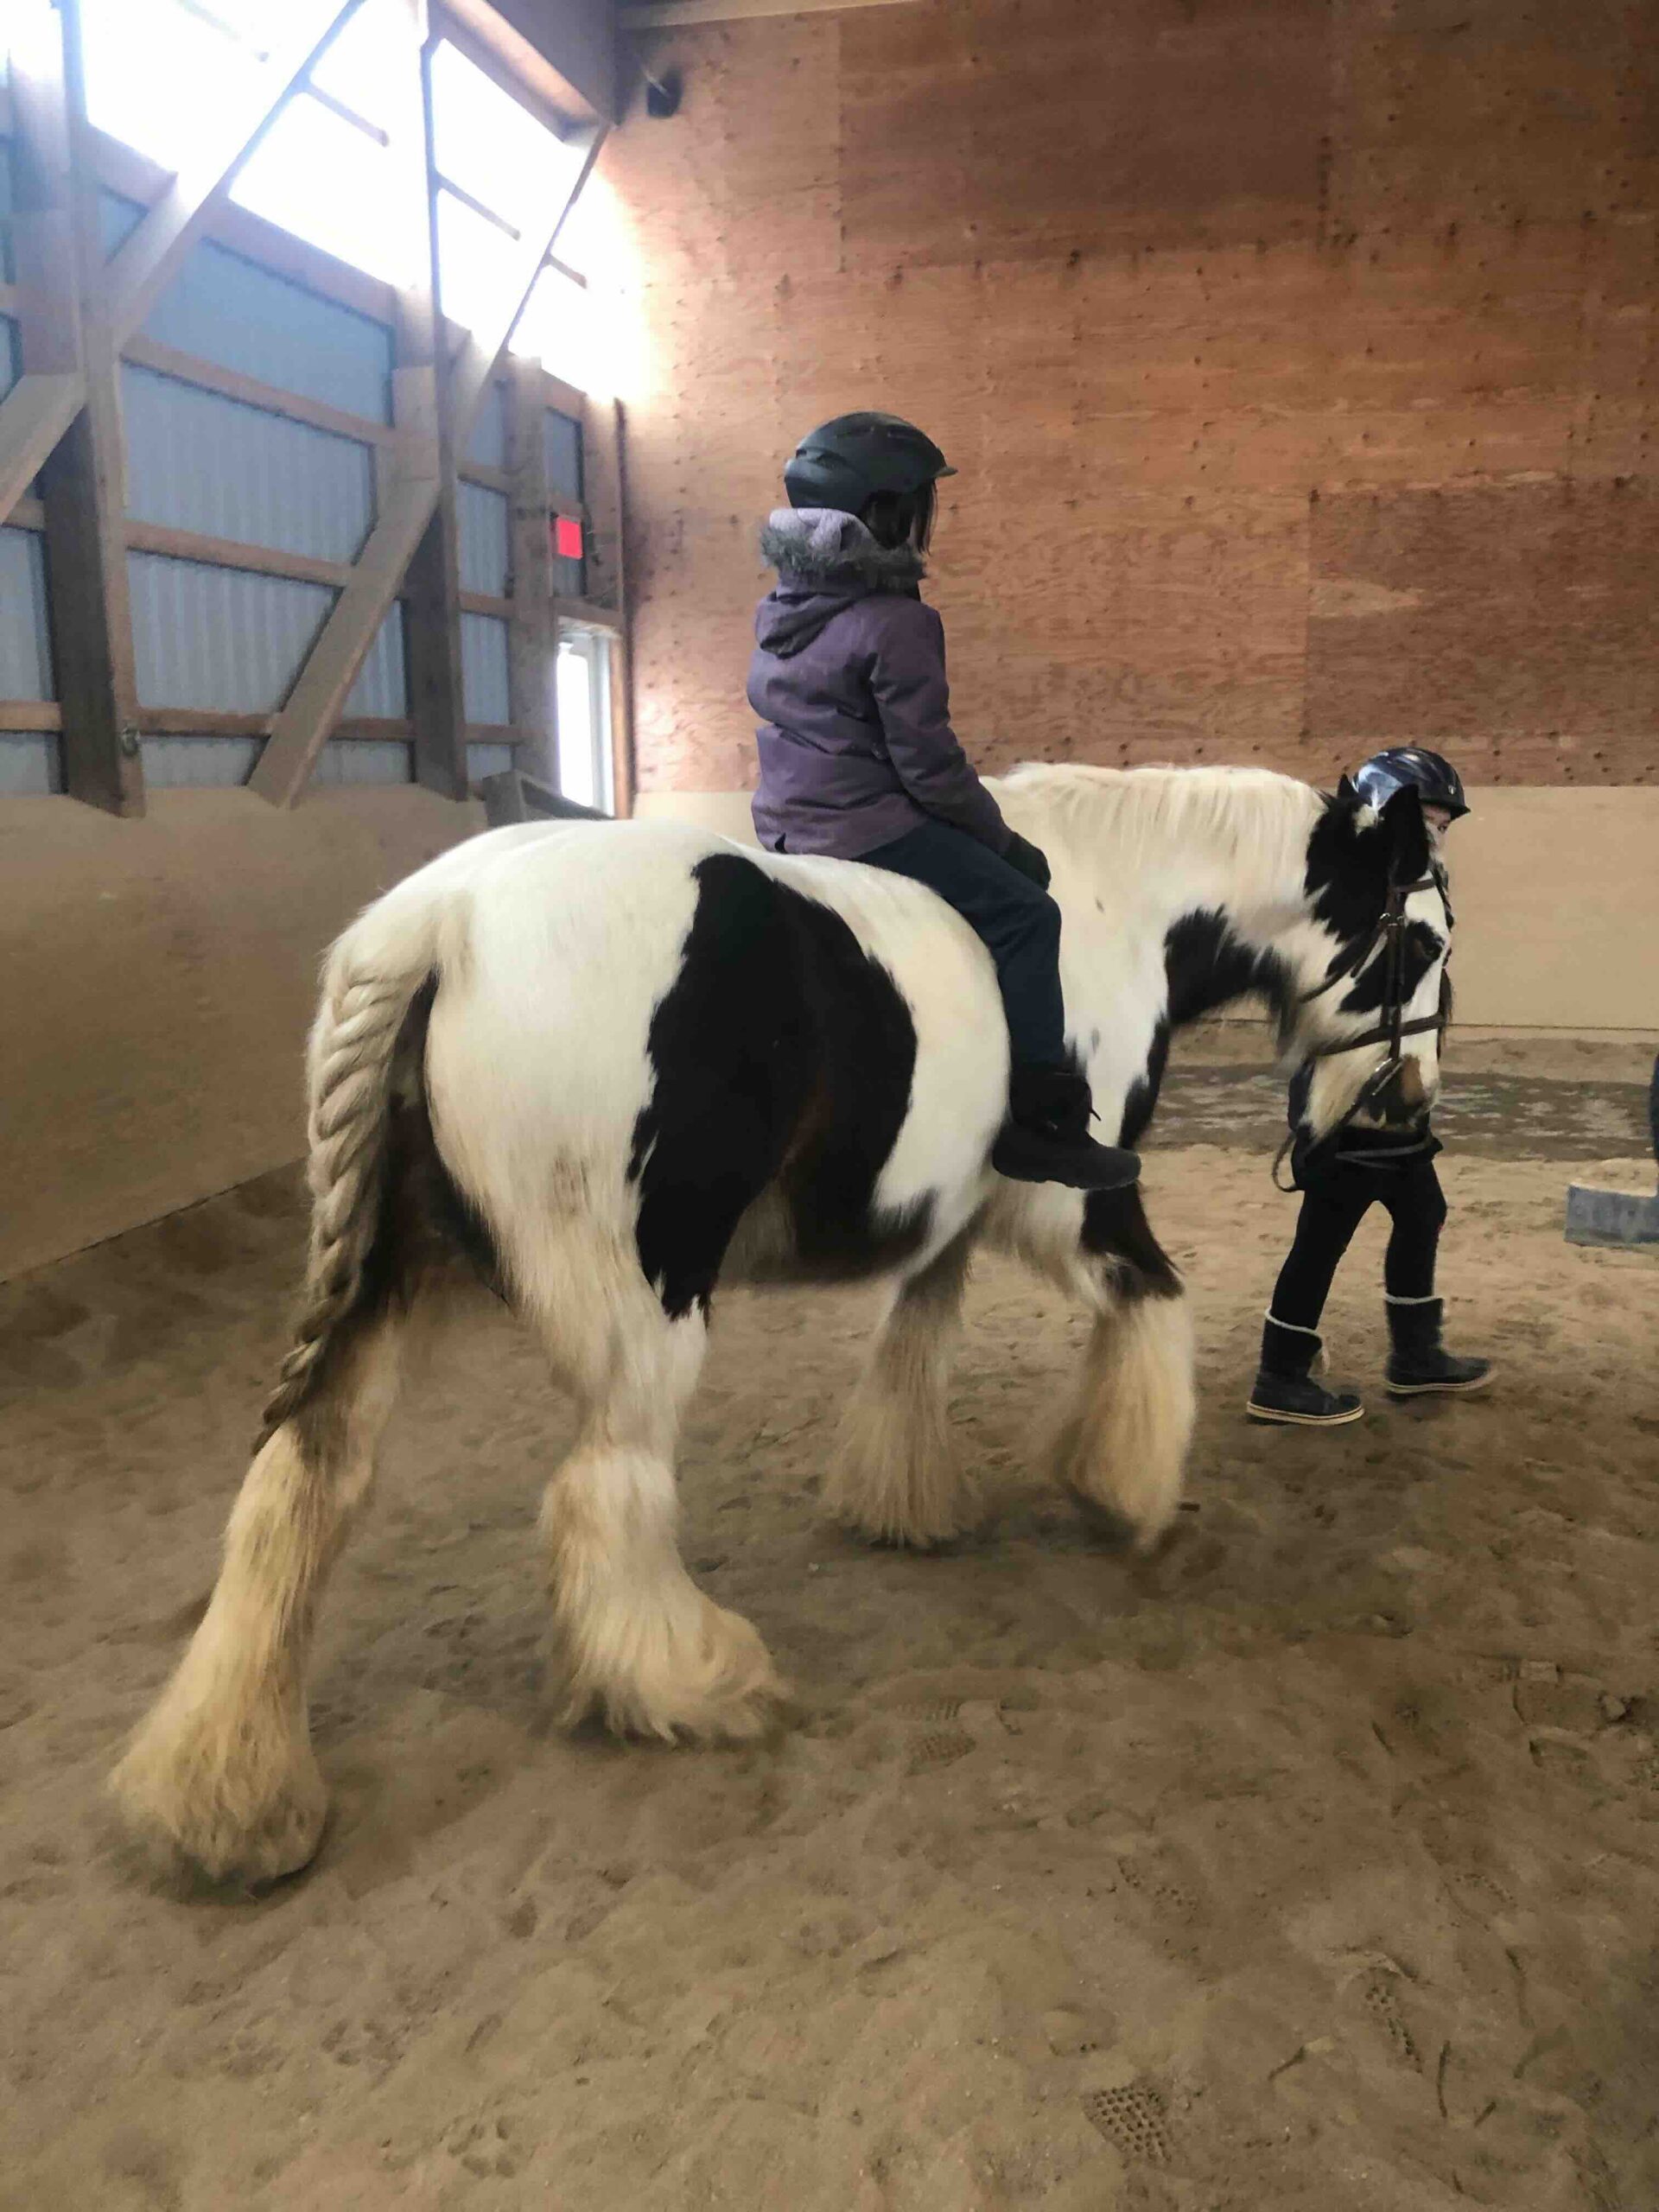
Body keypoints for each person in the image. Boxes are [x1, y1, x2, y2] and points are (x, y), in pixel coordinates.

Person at [747, 410, 1139, 1192]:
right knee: (1030, 913)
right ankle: (1041, 1122)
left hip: (784, 825)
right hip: (867, 828)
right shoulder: (898, 622)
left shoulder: (779, 608)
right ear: (887, 511)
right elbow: (929, 769)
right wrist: (1003, 844)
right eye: (918, 503)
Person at [1247, 747, 1494, 1426]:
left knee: (1421, 1212)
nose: (1439, 836)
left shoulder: (1411, 890)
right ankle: (1280, 1374)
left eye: (1444, 824)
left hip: (1396, 1089)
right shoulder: (1343, 897)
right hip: (1349, 1090)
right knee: (1326, 1229)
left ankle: (1415, 1355)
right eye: (1430, 823)